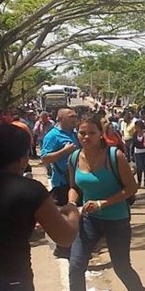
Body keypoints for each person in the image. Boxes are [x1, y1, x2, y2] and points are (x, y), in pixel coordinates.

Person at [0, 121, 80, 291]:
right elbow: (65, 237)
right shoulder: (30, 191)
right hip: (12, 287)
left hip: (12, 286)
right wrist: (72, 212)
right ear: (23, 158)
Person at [65, 115, 145, 291]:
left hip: (116, 219)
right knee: (75, 266)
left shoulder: (115, 156)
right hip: (89, 220)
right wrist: (73, 203)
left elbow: (131, 188)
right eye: (82, 133)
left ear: (100, 133)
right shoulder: (74, 157)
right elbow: (74, 187)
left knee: (122, 267)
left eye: (91, 133)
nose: (86, 137)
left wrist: (104, 202)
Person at [40, 107, 80, 258]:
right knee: (66, 216)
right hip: (62, 183)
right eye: (71, 116)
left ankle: (76, 247)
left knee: (77, 213)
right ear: (61, 118)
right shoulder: (53, 136)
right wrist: (64, 151)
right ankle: (63, 249)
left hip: (76, 181)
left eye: (75, 116)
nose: (75, 118)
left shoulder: (74, 134)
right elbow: (44, 158)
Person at [131, 121, 145, 188]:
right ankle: (139, 182)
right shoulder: (135, 134)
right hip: (138, 152)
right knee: (139, 168)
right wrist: (131, 154)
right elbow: (133, 144)